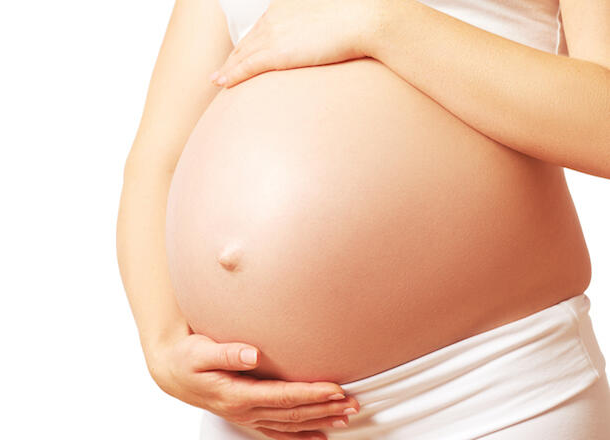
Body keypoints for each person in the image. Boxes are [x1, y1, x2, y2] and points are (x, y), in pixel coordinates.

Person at [117, 0, 610, 438]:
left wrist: (380, 22)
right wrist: (161, 344)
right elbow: (158, 160)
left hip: (484, 391)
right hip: (254, 416)